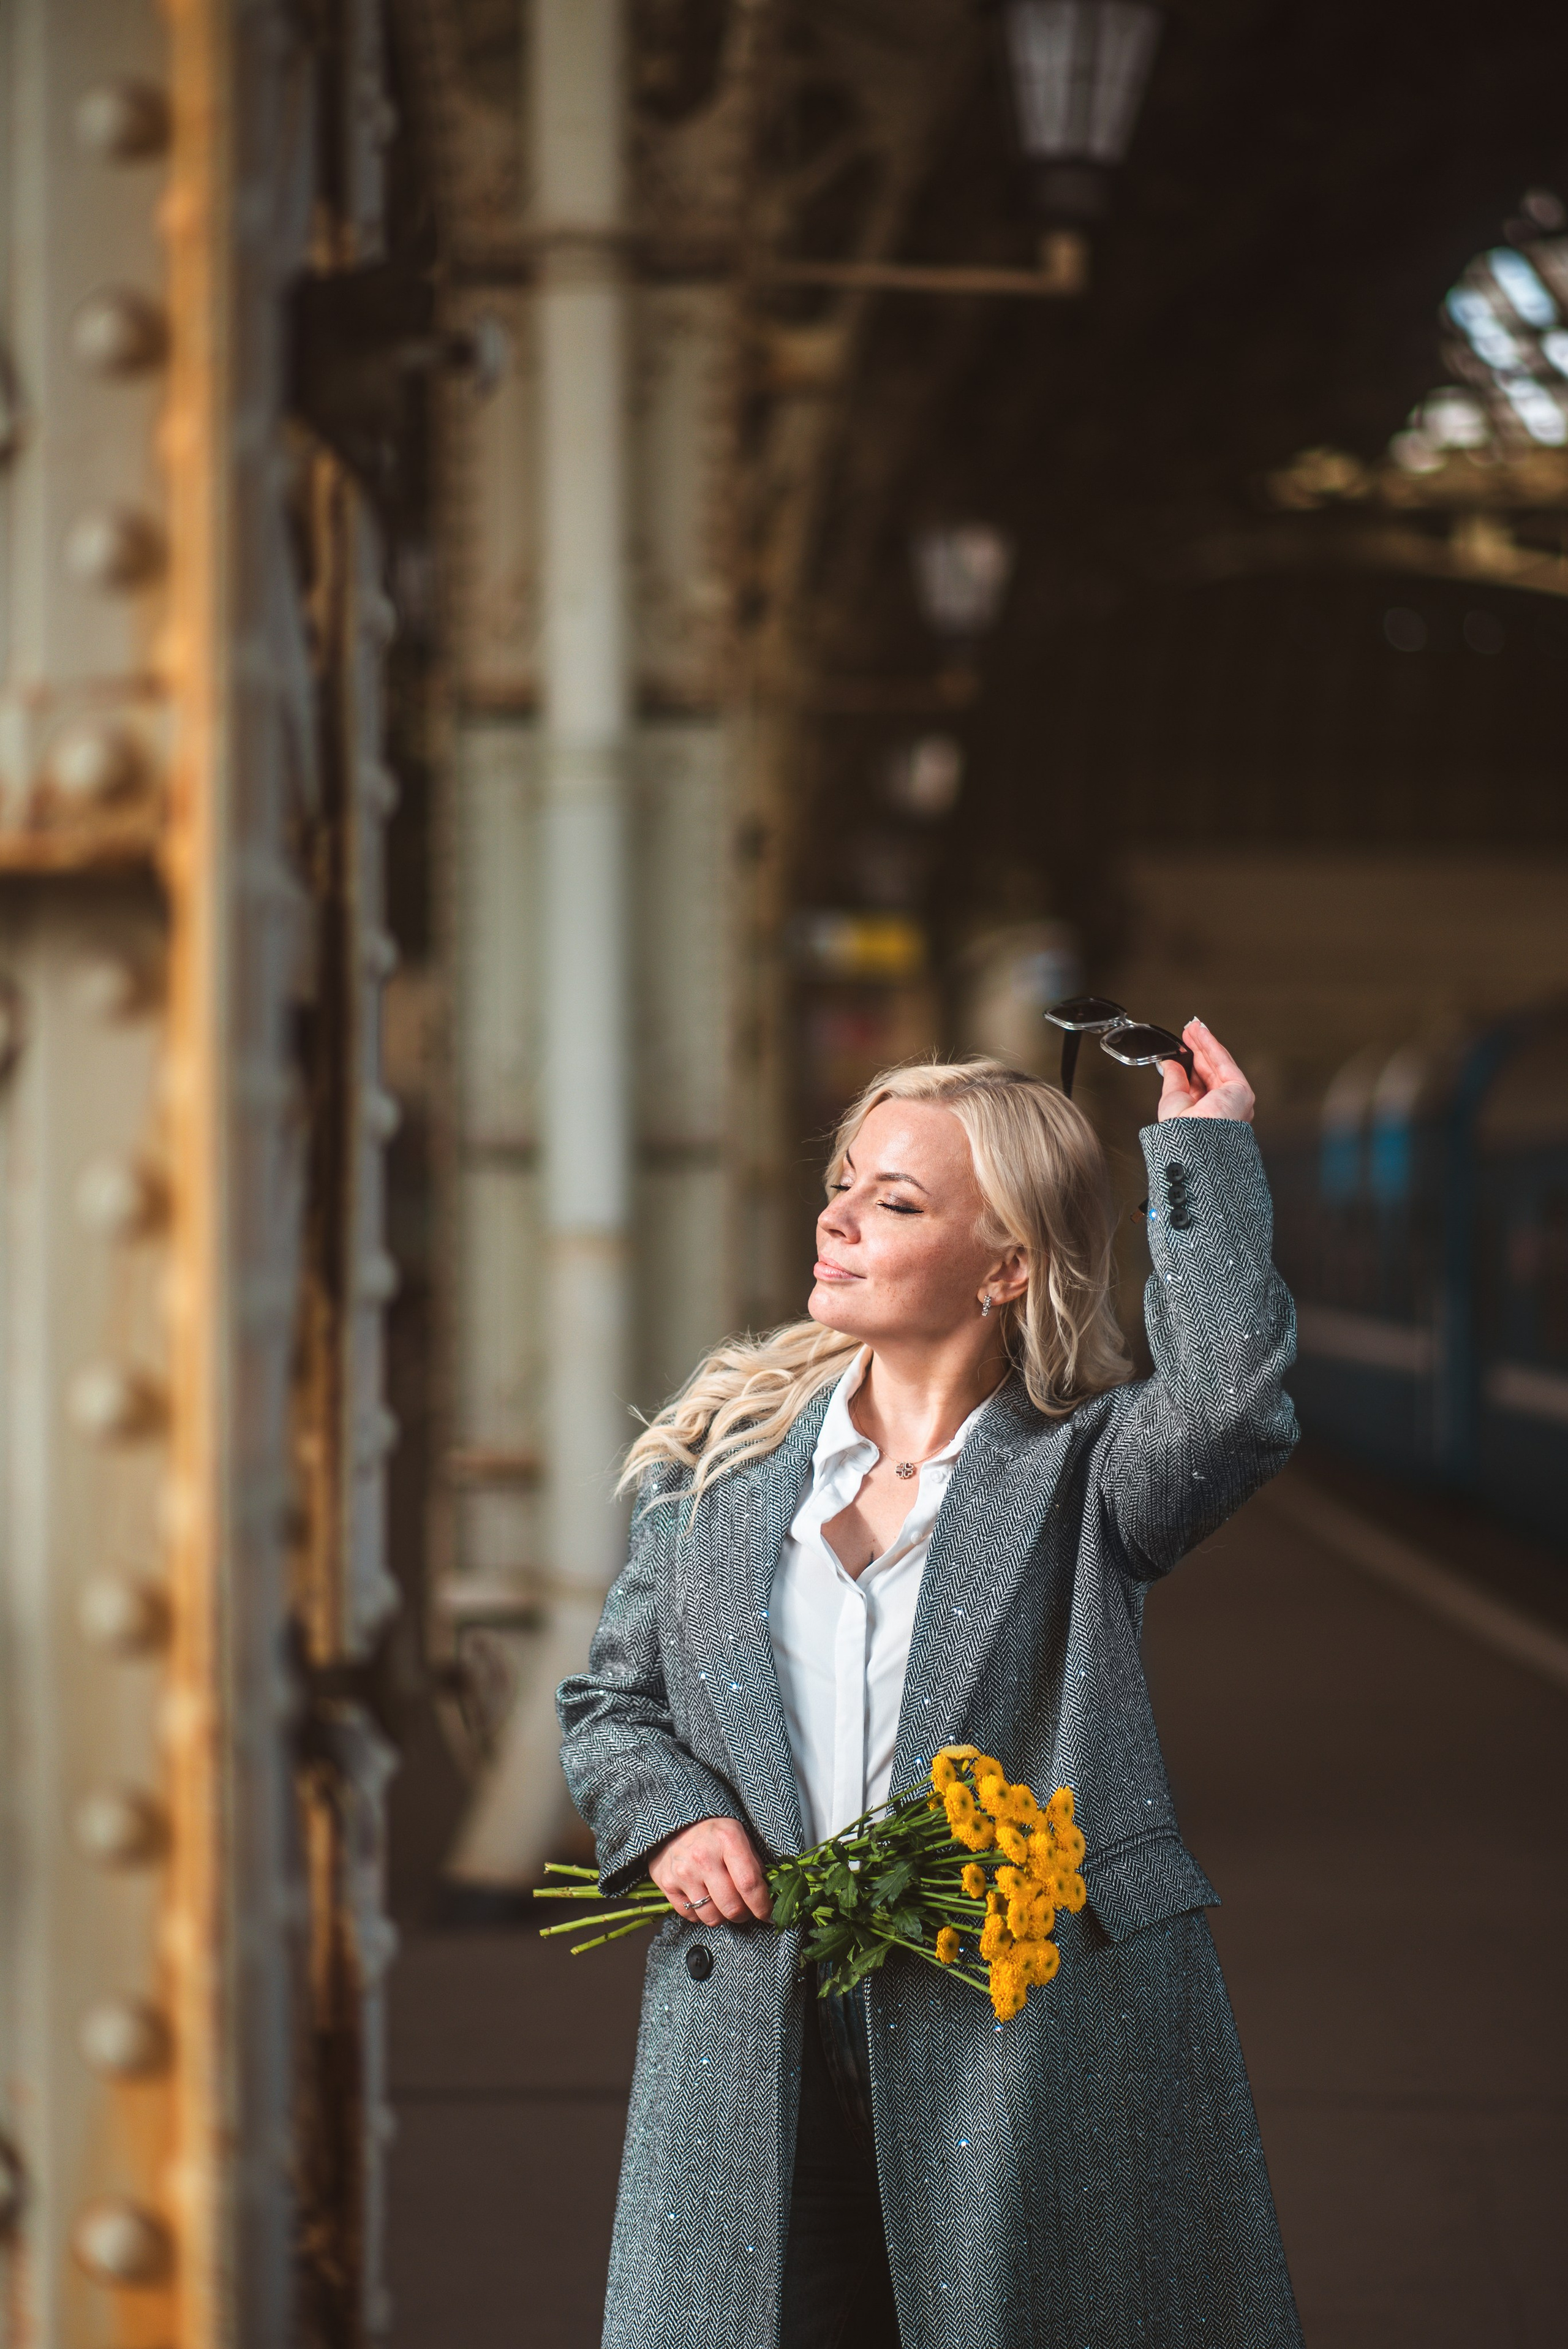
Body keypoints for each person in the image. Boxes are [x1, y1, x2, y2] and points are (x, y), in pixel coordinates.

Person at [557, 1023, 1304, 2349]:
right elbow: (613, 1706)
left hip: (1020, 2046)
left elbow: (1233, 1406)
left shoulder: (1086, 1478)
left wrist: (1199, 1151)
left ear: (1005, 1267)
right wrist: (671, 1816)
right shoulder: (717, 1466)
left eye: (893, 1201)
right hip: (754, 2035)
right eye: (843, 1182)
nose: (838, 1218)